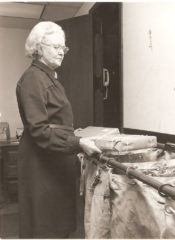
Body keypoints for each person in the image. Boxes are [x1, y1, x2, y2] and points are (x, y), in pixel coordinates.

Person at [16, 21, 101, 239]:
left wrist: (72, 134)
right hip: (42, 168)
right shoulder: (33, 79)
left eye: (63, 48)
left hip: (54, 164)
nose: (61, 52)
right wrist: (77, 142)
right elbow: (40, 131)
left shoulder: (49, 78)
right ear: (38, 47)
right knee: (47, 228)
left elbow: (55, 123)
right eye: (55, 47)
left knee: (57, 227)